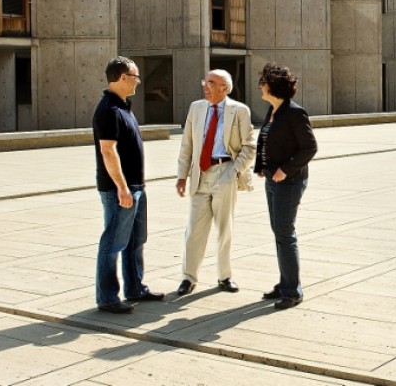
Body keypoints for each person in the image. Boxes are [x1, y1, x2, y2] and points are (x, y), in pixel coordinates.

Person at [92, 56, 164, 314]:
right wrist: (122, 188)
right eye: (135, 76)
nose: (138, 81)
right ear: (123, 77)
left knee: (135, 240)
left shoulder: (123, 107)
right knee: (113, 242)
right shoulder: (108, 110)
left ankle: (135, 288)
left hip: (135, 187)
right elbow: (108, 151)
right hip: (118, 190)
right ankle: (107, 297)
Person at [175, 69, 255, 297]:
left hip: (225, 170)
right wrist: (182, 176)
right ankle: (188, 277)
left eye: (211, 82)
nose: (205, 86)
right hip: (200, 174)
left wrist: (234, 171)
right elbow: (187, 144)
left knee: (224, 228)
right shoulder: (196, 108)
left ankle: (224, 276)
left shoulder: (240, 110)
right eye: (205, 81)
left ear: (225, 88)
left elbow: (250, 146)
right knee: (194, 230)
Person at [254, 63, 317, 310]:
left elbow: (309, 147)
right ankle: (285, 283)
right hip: (273, 179)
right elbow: (265, 141)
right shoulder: (273, 110)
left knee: (284, 232)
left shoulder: (294, 113)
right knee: (279, 231)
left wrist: (285, 169)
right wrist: (262, 166)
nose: (260, 86)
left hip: (290, 181)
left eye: (263, 82)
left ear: (273, 86)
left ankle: (292, 291)